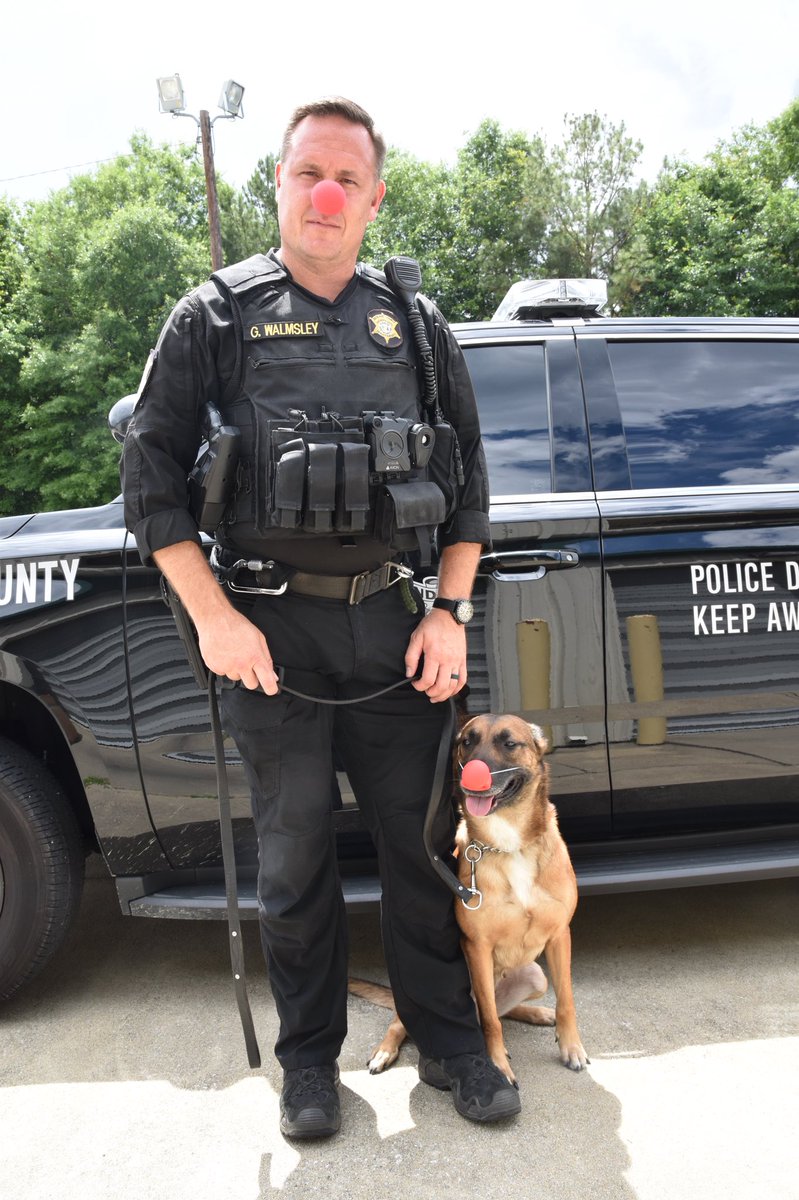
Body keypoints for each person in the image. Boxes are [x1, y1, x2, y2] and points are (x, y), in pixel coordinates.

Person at [121, 97, 520, 1138]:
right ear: (280, 184)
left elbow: (471, 485)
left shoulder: (415, 324)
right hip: (266, 635)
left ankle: (450, 1046)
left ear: (374, 197)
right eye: (307, 172)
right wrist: (212, 616)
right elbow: (149, 481)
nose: (327, 193)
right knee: (293, 866)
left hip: (395, 631)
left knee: (424, 851)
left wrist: (449, 612)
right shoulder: (213, 316)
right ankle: (308, 1068)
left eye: (347, 176)